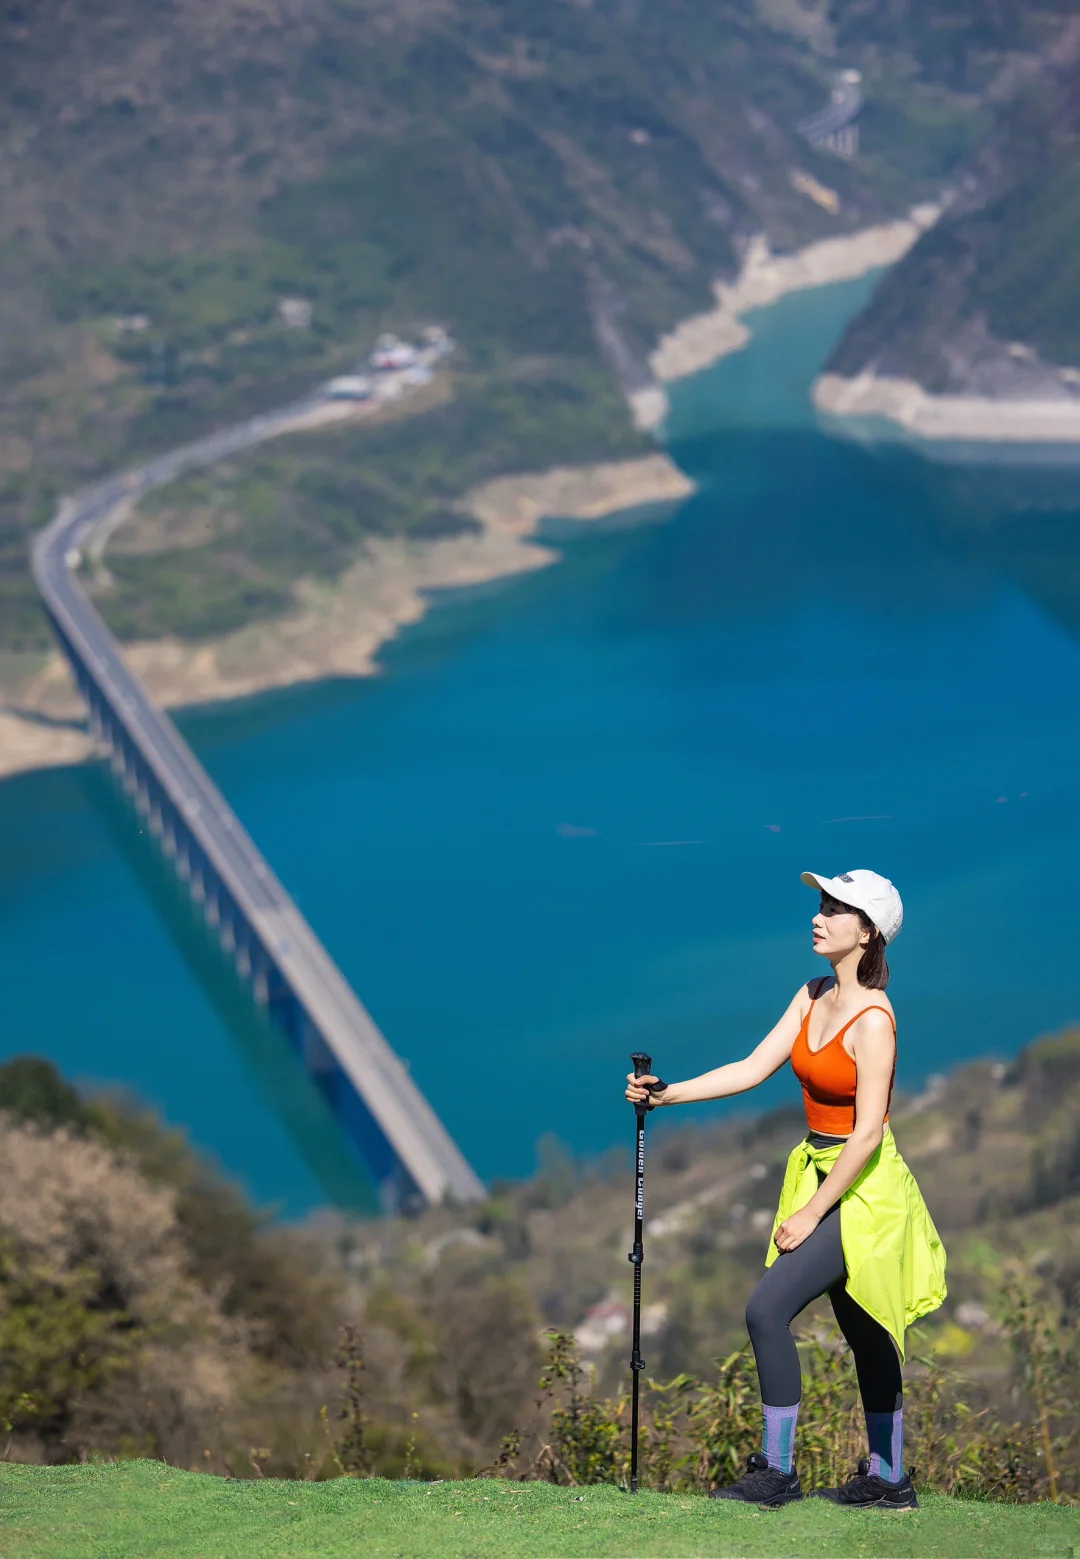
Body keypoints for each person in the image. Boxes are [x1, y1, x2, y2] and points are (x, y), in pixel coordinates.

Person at [626, 869, 946, 1511]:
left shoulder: (874, 1022)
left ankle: (778, 1473)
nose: (819, 916)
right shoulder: (812, 993)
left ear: (868, 933)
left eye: (836, 909)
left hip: (863, 1190)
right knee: (864, 1331)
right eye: (822, 904)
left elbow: (865, 1137)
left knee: (767, 1311)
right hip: (821, 1171)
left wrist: (809, 1214)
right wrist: (669, 1093)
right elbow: (751, 1067)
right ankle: (889, 1479)